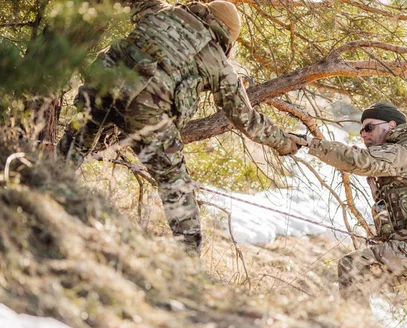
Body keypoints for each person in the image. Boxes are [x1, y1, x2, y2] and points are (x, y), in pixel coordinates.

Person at [58, 1, 299, 252]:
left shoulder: (162, 10)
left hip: (101, 85)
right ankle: (189, 261)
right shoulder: (216, 59)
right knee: (176, 186)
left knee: (70, 149)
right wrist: (285, 143)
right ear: (227, 34)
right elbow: (246, 119)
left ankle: (41, 193)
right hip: (145, 113)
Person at [289, 103, 407, 328]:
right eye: (362, 130)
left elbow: (357, 160)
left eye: (369, 128)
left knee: (352, 268)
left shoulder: (405, 152)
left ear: (391, 126)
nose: (363, 134)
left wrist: (310, 144)